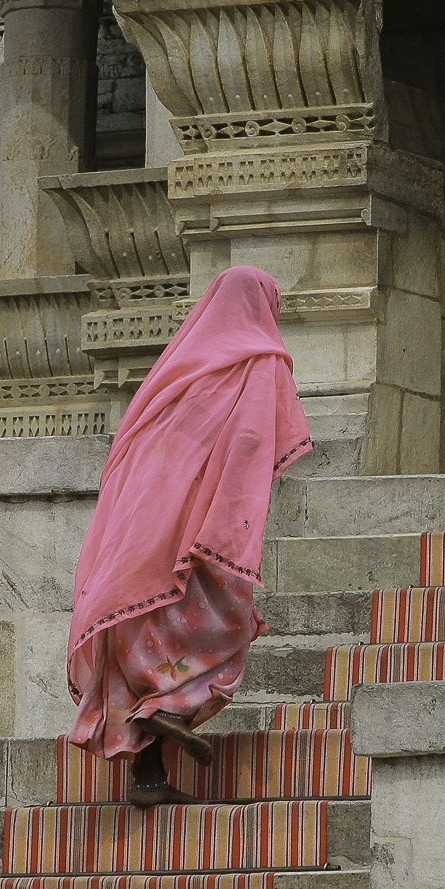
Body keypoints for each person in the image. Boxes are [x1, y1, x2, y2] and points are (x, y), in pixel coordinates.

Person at [67, 265, 312, 808]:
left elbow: (135, 453)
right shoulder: (261, 362)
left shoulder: (177, 369)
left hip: (137, 533)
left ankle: (148, 775)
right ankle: (170, 713)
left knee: (144, 638)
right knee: (221, 634)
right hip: (202, 530)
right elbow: (252, 442)